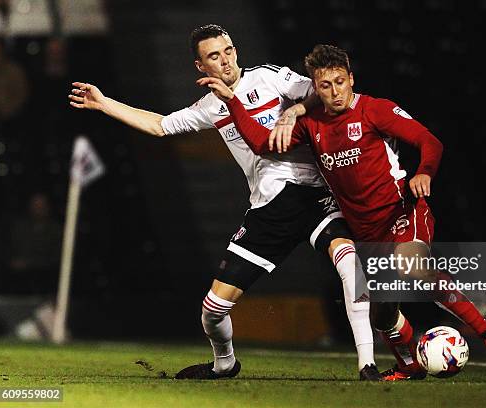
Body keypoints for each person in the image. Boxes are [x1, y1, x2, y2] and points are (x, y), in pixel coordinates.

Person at [69, 25, 381, 381]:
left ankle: (367, 364)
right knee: (212, 311)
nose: (226, 59)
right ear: (201, 67)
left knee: (349, 264)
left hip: (314, 192)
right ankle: (224, 364)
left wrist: (293, 112)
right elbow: (159, 125)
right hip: (270, 210)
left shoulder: (270, 78)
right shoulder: (209, 107)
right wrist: (104, 103)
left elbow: (321, 90)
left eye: (228, 50)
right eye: (214, 56)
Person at [202, 44, 486, 380]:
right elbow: (263, 144)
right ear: (314, 88)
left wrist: (424, 172)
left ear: (351, 78)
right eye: (325, 85)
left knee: (413, 268)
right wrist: (233, 102)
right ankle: (410, 366)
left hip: (402, 213)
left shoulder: (375, 110)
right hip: (367, 233)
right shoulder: (312, 124)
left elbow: (430, 142)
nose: (335, 92)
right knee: (383, 316)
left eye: (340, 82)